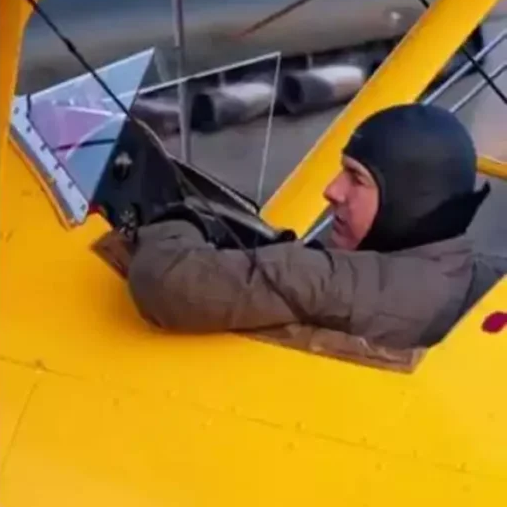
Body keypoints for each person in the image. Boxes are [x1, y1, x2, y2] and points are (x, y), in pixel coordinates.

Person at [127, 103, 507, 350]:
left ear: (408, 201)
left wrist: (180, 218)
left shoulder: (330, 285)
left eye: (356, 179)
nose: (331, 191)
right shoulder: (477, 276)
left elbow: (166, 282)